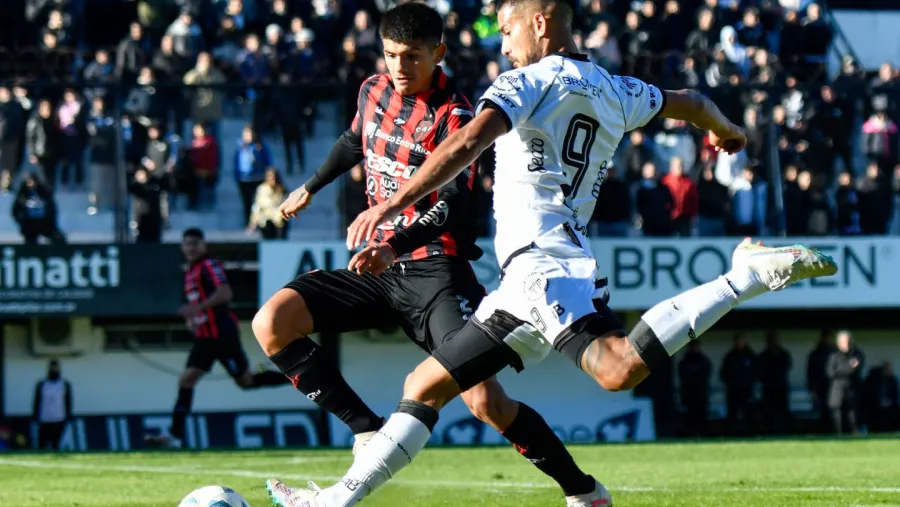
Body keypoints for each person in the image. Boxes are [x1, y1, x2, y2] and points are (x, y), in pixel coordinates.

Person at [265, 1, 839, 506]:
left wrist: (391, 205)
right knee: (424, 385)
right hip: (526, 276)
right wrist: (726, 129)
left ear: (539, 24)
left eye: (508, 30)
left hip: (543, 263)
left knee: (616, 369)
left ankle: (741, 279)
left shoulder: (525, 82)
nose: (503, 43)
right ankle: (580, 495)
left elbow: (466, 143)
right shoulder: (617, 88)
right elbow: (689, 100)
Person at [254, 4, 602, 506]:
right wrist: (309, 187)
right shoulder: (372, 91)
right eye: (392, 55)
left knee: (485, 401)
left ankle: (584, 491)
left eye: (412, 57)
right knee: (272, 323)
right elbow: (356, 141)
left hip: (436, 272)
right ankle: (367, 431)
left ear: (438, 53)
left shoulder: (458, 116)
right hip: (378, 269)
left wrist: (391, 244)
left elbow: (454, 210)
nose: (399, 67)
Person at [145, 228, 289, 448]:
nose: (191, 248)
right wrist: (192, 318)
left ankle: (295, 378)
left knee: (246, 381)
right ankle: (174, 436)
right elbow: (196, 305)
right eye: (187, 244)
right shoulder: (190, 272)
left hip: (222, 334)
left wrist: (197, 309)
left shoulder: (209, 265)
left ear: (203, 245)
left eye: (195, 243)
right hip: (205, 337)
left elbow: (225, 293)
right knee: (187, 380)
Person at [32, 360, 72, 450]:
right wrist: (35, 416)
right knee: (42, 444)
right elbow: (37, 401)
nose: (54, 370)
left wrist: (68, 416)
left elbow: (68, 401)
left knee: (56, 443)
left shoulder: (64, 384)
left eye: (56, 368)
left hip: (59, 418)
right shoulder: (42, 384)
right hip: (44, 419)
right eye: (52, 368)